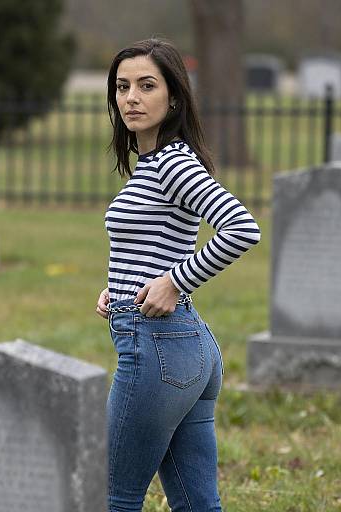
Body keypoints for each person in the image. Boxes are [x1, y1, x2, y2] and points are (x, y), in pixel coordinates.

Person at [96, 38, 261, 512]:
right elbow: (155, 243)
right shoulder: (151, 165)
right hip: (186, 350)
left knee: (115, 498)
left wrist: (174, 282)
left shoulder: (172, 162)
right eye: (122, 87)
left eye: (146, 86)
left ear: (173, 98)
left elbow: (241, 227)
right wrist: (119, 289)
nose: (131, 98)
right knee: (197, 504)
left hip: (158, 350)